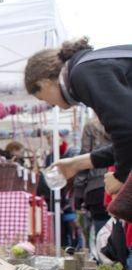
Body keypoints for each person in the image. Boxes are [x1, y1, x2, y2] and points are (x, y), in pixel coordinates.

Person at [24, 38, 132, 221]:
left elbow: (127, 131)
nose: (51, 105)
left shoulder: (82, 72)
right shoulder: (89, 66)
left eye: (43, 98)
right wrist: (77, 163)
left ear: (44, 83)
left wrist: (120, 177)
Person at [74, 115, 111, 244]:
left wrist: (78, 190)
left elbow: (85, 157)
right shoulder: (125, 121)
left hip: (97, 188)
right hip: (122, 185)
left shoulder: (90, 125)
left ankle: (108, 263)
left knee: (103, 238)